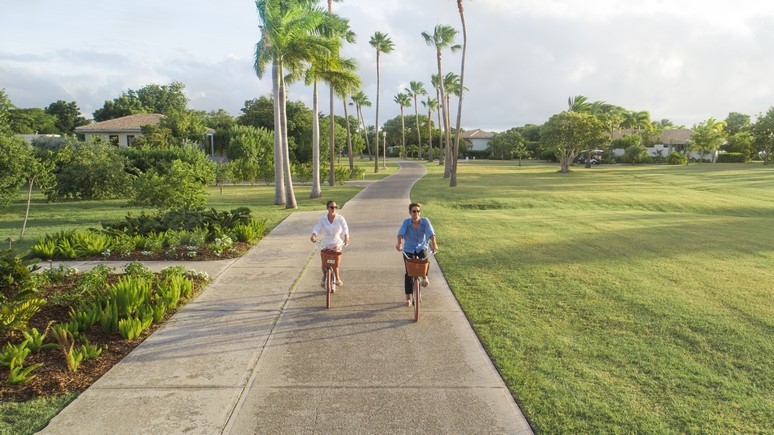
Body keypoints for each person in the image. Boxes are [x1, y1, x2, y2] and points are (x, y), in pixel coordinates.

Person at [395, 202, 438, 306]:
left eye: (418, 211)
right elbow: (400, 233)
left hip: (421, 247)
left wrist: (434, 244)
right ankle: (408, 298)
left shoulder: (425, 221)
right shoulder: (406, 222)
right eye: (414, 211)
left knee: (425, 260)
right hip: (409, 249)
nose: (416, 213)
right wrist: (399, 244)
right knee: (409, 273)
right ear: (410, 212)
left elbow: (431, 233)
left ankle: (424, 277)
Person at [311, 200, 349, 291]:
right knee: (324, 262)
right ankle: (324, 276)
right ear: (327, 208)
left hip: (337, 242)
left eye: (335, 207)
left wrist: (346, 237)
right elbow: (317, 227)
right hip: (326, 242)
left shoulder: (340, 218)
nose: (334, 209)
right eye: (332, 207)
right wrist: (313, 235)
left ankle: (337, 278)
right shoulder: (323, 219)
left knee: (335, 263)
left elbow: (345, 228)